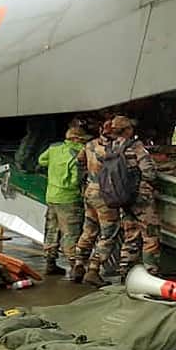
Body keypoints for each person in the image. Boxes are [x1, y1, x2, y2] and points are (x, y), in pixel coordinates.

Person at [36, 121, 91, 276]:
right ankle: (75, 266)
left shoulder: (54, 148)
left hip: (52, 196)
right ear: (76, 139)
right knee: (71, 233)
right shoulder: (80, 152)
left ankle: (50, 263)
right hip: (70, 198)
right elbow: (76, 180)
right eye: (82, 139)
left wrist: (54, 167)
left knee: (51, 230)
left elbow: (41, 160)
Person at [113, 115, 161, 280]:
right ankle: (150, 273)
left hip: (123, 196)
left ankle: (124, 270)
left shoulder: (111, 146)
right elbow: (148, 172)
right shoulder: (136, 146)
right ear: (128, 130)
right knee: (150, 235)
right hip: (141, 197)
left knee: (131, 234)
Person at [74, 119, 120, 284]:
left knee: (89, 228)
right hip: (106, 195)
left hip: (90, 190)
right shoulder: (114, 149)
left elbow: (79, 163)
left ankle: (78, 264)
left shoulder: (90, 145)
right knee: (108, 232)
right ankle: (94, 268)